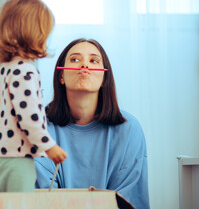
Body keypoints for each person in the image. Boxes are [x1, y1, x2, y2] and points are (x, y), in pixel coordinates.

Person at [34, 38, 150, 208]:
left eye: (94, 60)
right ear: (61, 76)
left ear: (104, 78)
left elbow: (126, 201)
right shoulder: (38, 128)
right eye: (75, 59)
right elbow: (43, 199)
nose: (84, 66)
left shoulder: (130, 129)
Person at [0, 0, 68, 192]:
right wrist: (50, 147)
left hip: (1, 158)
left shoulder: (5, 69)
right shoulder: (25, 71)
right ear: (34, 34)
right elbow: (29, 118)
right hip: (18, 160)